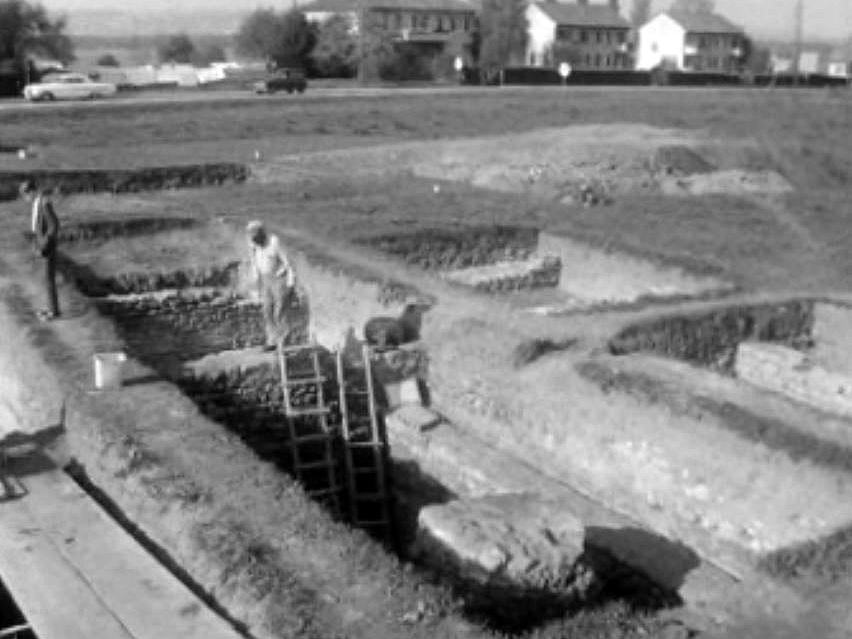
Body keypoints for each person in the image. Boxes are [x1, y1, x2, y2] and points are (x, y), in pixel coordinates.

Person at [246, 220, 297, 349]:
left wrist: (291, 281)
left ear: (262, 233)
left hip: (279, 278)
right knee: (267, 311)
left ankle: (283, 339)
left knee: (279, 311)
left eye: (256, 237)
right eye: (253, 237)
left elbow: (288, 262)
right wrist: (255, 286)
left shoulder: (274, 242)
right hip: (265, 280)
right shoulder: (253, 244)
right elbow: (254, 264)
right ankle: (272, 340)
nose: (255, 240)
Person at [20, 180, 60, 320]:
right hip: (42, 245)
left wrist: (46, 244)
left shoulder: (43, 203)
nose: (25, 199)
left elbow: (54, 225)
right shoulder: (38, 203)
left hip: (47, 246)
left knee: (49, 279)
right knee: (46, 279)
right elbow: (38, 226)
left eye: (25, 195)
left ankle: (54, 312)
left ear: (31, 191)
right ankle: (50, 308)